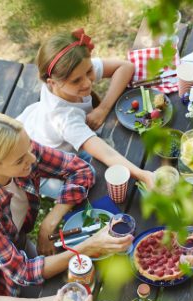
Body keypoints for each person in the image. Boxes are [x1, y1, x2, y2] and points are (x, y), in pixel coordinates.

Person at [0, 112, 132, 299]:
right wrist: (88, 246)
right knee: (54, 296)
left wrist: (50, 221)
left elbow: (81, 169)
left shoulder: (20, 150)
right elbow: (23, 272)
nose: (32, 159)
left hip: (17, 243)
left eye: (28, 147)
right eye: (20, 160)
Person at [17, 29, 155, 194]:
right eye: (76, 81)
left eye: (89, 71)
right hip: (43, 167)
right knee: (89, 189)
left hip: (37, 125)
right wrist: (143, 175)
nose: (87, 83)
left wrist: (103, 109)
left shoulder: (74, 70)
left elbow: (126, 67)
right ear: (52, 82)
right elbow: (108, 155)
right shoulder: (64, 118)